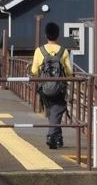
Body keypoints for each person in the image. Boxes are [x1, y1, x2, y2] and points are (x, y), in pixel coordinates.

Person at [31, 21, 73, 149]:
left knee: (53, 112)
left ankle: (58, 139)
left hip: (44, 88)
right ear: (58, 35)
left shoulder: (39, 50)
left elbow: (34, 71)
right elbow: (69, 72)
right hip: (59, 88)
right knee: (57, 110)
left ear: (46, 35)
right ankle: (51, 136)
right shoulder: (63, 51)